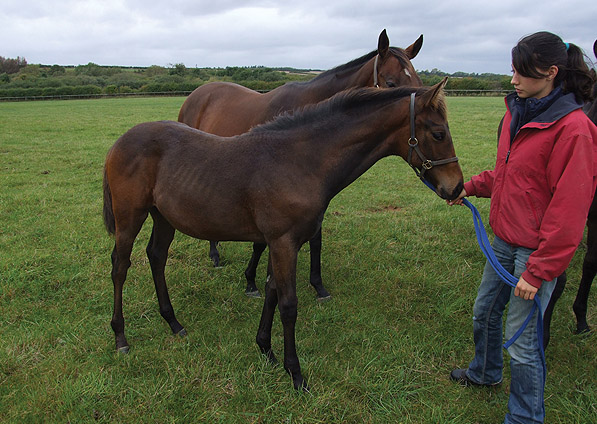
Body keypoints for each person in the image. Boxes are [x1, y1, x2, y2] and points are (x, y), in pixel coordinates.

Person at [447, 31, 597, 424]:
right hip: (504, 240)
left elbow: (570, 210)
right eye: (512, 69)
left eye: (521, 72)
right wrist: (472, 187)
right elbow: (510, 174)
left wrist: (539, 269)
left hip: (535, 253)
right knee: (484, 313)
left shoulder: (575, 130)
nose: (512, 79)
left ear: (550, 73)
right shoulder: (519, 111)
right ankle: (484, 373)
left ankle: (526, 417)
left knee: (525, 343)